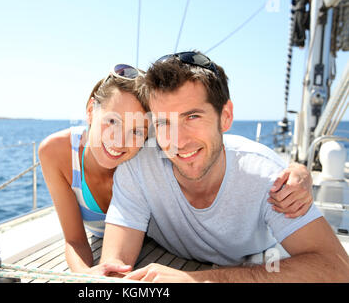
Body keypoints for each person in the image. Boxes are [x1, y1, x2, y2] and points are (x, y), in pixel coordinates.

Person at [39, 63, 315, 275]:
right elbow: (79, 242)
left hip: (198, 252)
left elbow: (211, 146)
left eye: (137, 130)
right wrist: (88, 278)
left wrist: (298, 171)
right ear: (91, 110)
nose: (120, 140)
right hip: (129, 247)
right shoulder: (62, 152)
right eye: (112, 121)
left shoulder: (150, 150)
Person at [97, 52, 349, 282]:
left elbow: (337, 268)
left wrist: (203, 281)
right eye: (164, 122)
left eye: (192, 117)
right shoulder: (137, 168)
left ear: (225, 116)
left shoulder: (266, 176)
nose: (178, 141)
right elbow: (113, 267)